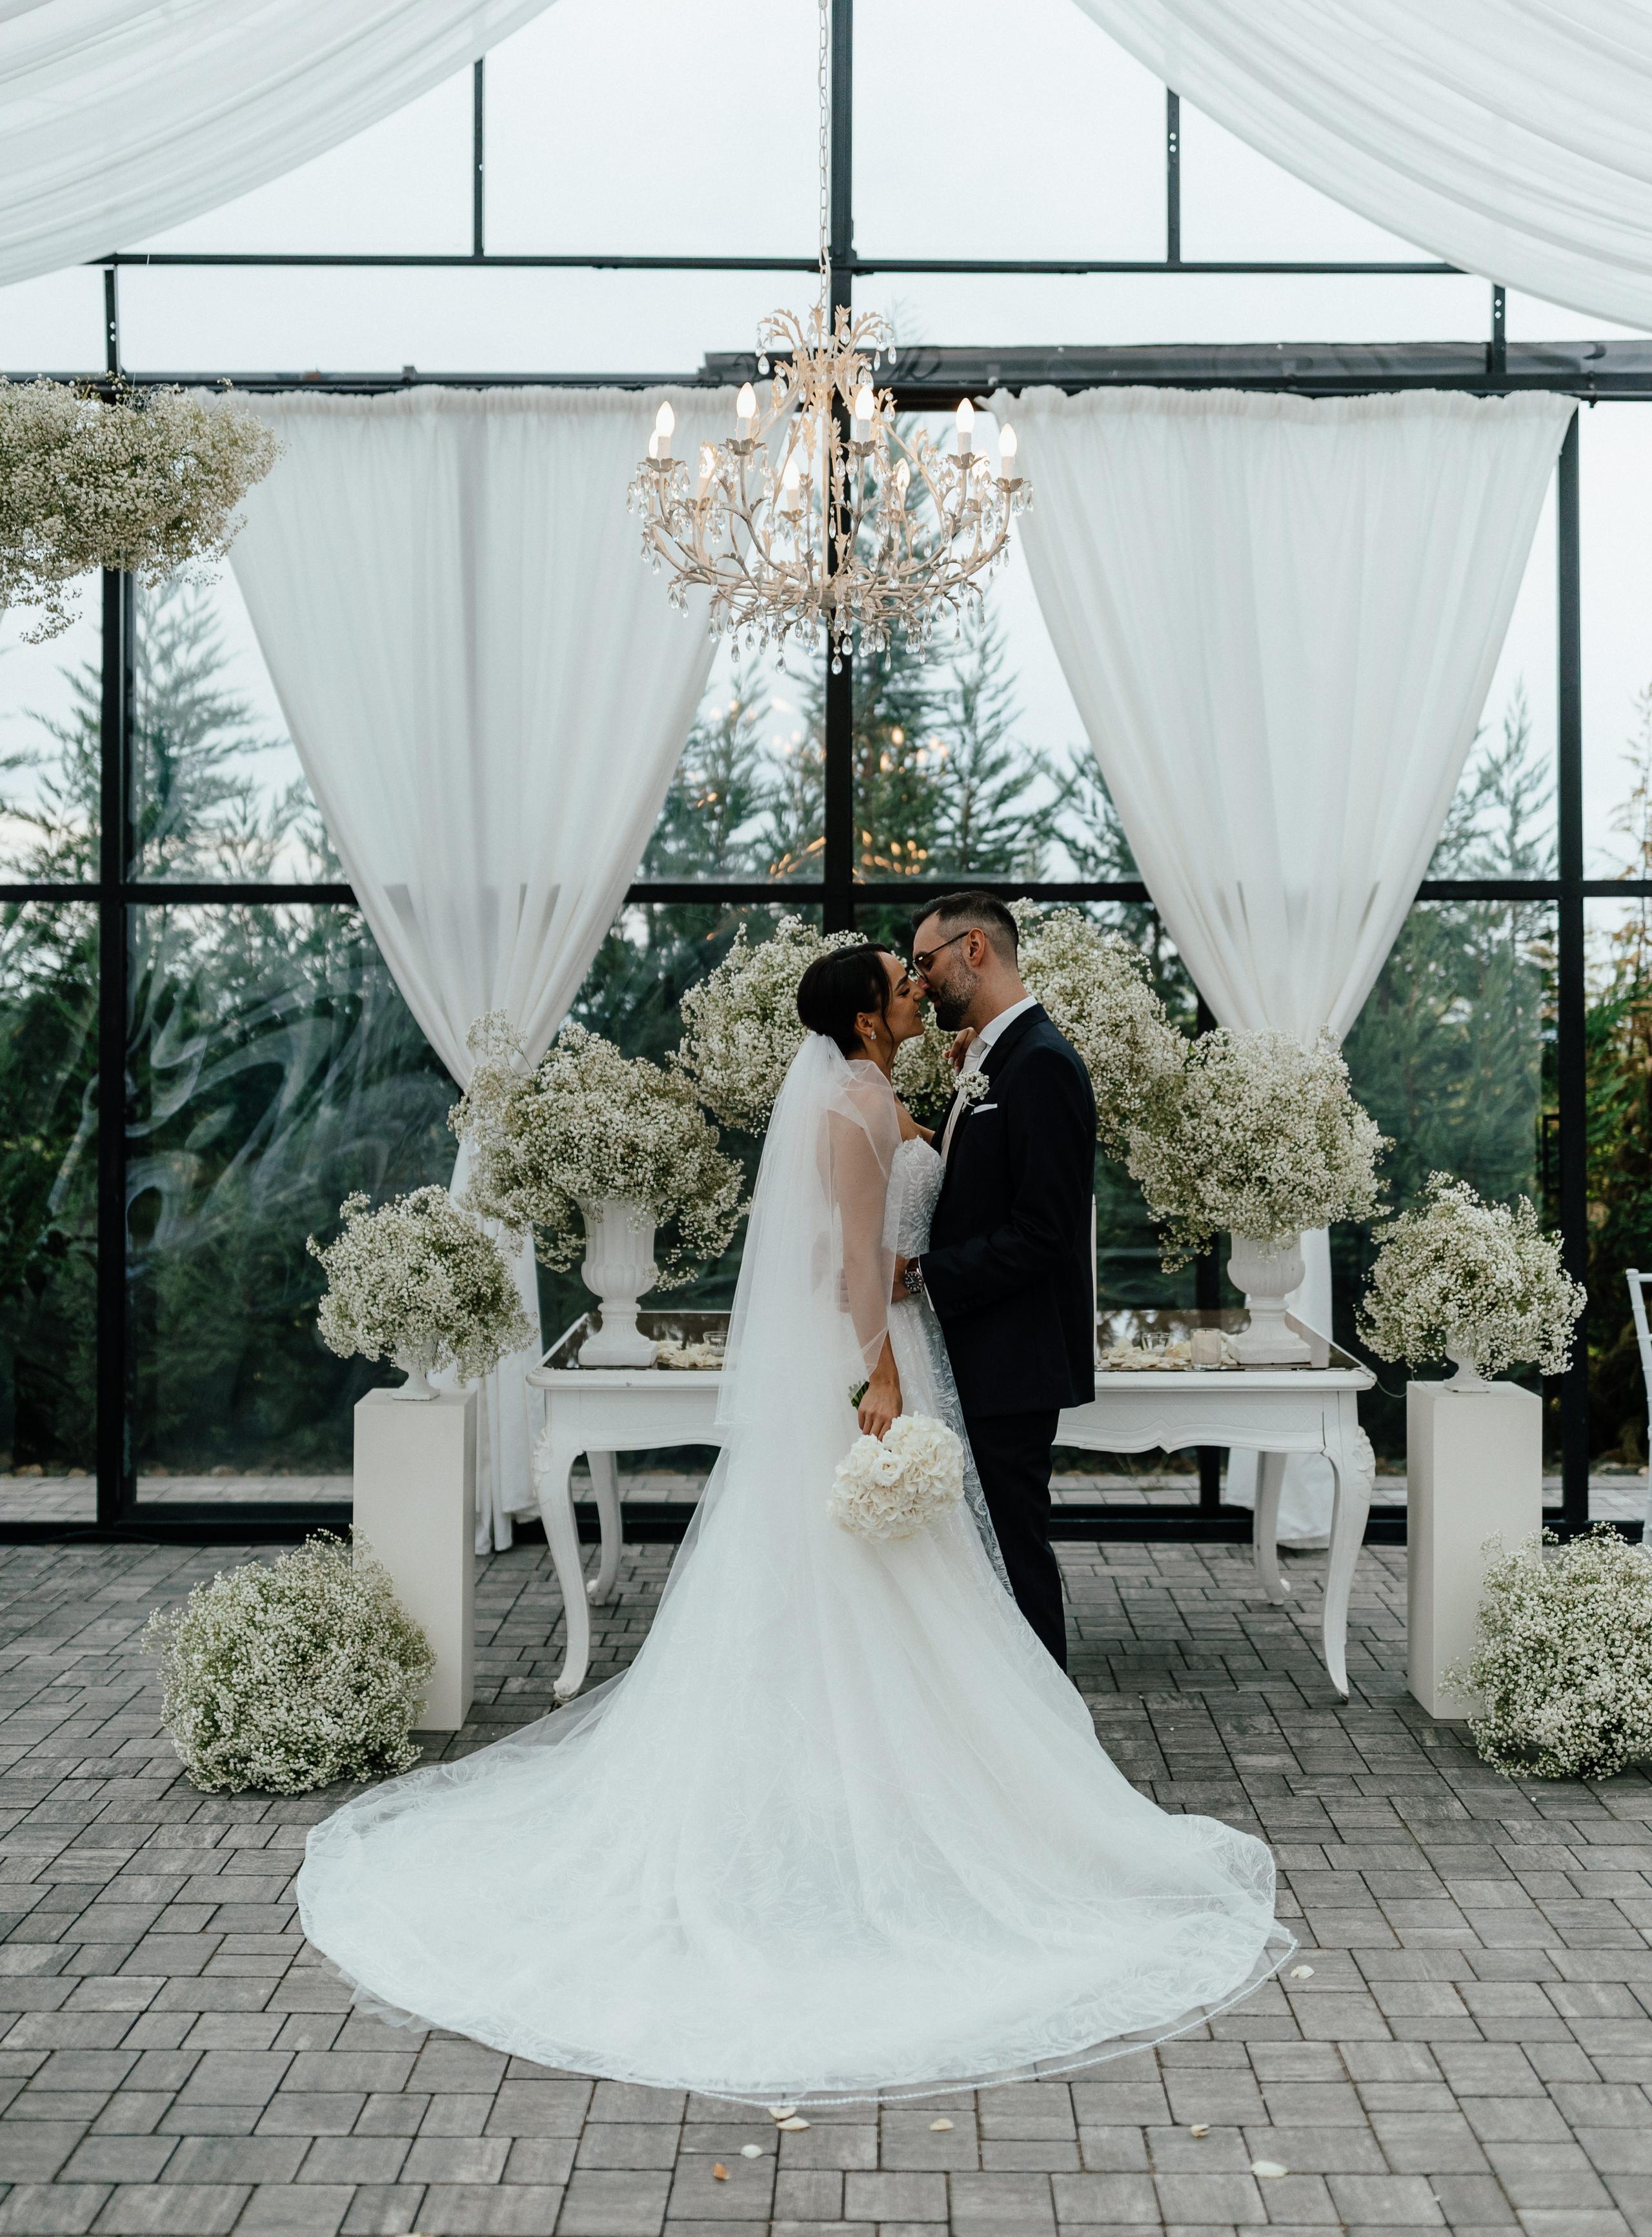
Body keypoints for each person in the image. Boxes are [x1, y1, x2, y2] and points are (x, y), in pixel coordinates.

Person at [296, 944, 1289, 2105]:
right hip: (876, 1362)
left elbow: (890, 1244)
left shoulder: (883, 1092)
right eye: (899, 981)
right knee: (862, 1574)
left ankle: (917, 1780)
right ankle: (860, 1797)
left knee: (919, 1577)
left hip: (911, 1344)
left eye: (921, 971)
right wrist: (878, 1376)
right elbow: (857, 1266)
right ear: (868, 1019)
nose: (918, 986)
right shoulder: (854, 1113)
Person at [893, 893, 1096, 1670]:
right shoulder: (992, 1058)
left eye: (926, 962)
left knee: (1014, 1553)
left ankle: (1052, 1739)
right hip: (976, 1350)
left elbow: (1043, 1234)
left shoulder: (1041, 1063)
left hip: (1011, 1358)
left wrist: (919, 1276)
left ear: (972, 949)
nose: (921, 980)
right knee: (983, 1554)